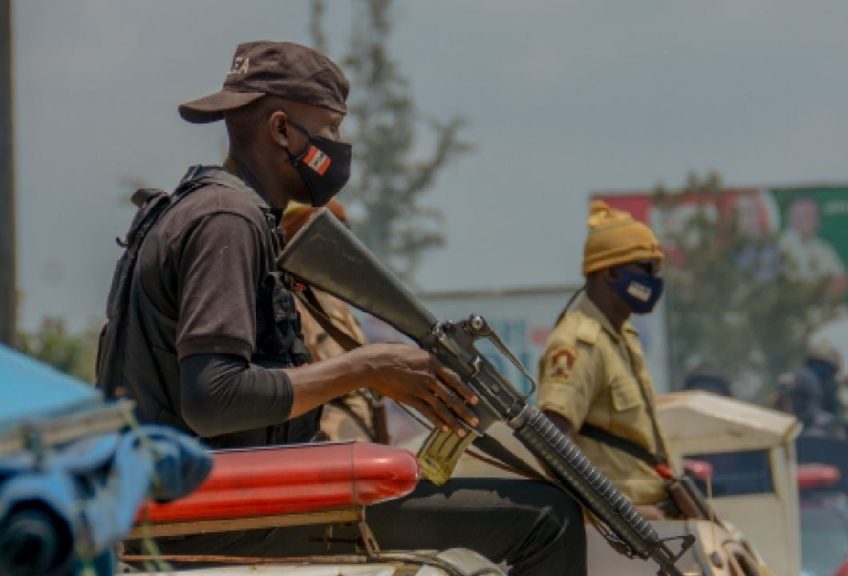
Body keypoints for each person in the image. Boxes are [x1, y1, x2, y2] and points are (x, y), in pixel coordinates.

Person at [100, 41, 584, 575]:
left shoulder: (214, 209)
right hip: (226, 513)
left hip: (207, 500)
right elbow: (213, 397)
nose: (338, 145)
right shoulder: (228, 220)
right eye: (329, 128)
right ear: (282, 130)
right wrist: (368, 367)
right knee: (548, 517)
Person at [537, 201, 672, 520]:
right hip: (616, 528)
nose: (654, 278)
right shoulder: (579, 342)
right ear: (611, 273)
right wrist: (618, 514)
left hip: (648, 517)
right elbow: (551, 442)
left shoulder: (623, 337)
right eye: (646, 268)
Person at [280, 200, 378, 442]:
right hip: (323, 439)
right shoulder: (287, 302)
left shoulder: (333, 299)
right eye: (333, 233)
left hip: (356, 431)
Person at [777, 195, 848, 300]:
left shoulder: (823, 248)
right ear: (791, 218)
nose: (809, 219)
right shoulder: (779, 245)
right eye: (804, 215)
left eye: (812, 215)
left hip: (819, 305)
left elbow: (841, 281)